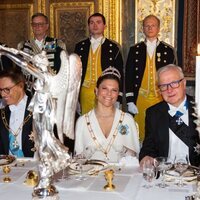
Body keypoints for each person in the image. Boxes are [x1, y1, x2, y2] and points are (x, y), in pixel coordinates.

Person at [125, 14, 177, 141]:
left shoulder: (168, 50)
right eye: (147, 25)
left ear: (159, 28)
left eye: (153, 25)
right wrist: (130, 100)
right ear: (143, 28)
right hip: (140, 98)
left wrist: (171, 98)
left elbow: (173, 77)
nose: (150, 28)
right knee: (139, 132)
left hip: (161, 98)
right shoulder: (134, 50)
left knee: (159, 131)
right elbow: (129, 75)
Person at [139, 64, 200, 167]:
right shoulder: (153, 113)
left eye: (174, 83)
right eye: (163, 85)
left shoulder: (198, 108)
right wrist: (146, 156)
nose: (169, 90)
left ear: (184, 83)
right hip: (165, 175)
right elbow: (148, 147)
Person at [75, 67, 140, 163]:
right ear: (96, 91)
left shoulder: (127, 120)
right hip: (91, 176)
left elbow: (136, 158)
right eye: (104, 88)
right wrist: (85, 153)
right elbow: (76, 164)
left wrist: (124, 149)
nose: (109, 93)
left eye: (114, 90)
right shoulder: (82, 122)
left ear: (118, 94)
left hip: (121, 176)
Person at [74, 13, 124, 115]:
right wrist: (75, 98)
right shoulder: (80, 46)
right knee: (86, 122)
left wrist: (118, 98)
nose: (95, 25)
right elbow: (74, 74)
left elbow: (120, 74)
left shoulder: (114, 47)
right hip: (84, 92)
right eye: (92, 23)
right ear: (88, 26)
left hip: (106, 91)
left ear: (104, 26)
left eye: (98, 22)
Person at [18, 12, 66, 92]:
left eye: (40, 24)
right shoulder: (23, 45)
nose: (37, 27)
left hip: (51, 87)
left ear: (46, 26)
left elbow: (62, 68)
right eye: (34, 24)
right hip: (30, 88)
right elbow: (19, 70)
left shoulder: (56, 44)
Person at [0, 69, 34, 157]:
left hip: (33, 167)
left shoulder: (37, 111)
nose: (3, 95)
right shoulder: (2, 112)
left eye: (7, 89)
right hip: (6, 168)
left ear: (20, 86)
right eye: (1, 90)